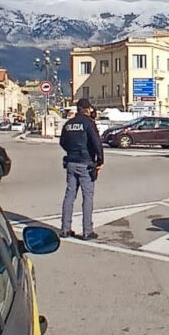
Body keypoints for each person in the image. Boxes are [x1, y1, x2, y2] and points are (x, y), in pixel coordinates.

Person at [59, 98, 104, 240]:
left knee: (69, 195)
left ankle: (65, 229)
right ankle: (87, 231)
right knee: (87, 197)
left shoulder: (68, 124)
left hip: (71, 162)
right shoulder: (88, 123)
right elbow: (96, 142)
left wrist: (72, 152)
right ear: (86, 109)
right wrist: (100, 160)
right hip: (86, 163)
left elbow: (62, 142)